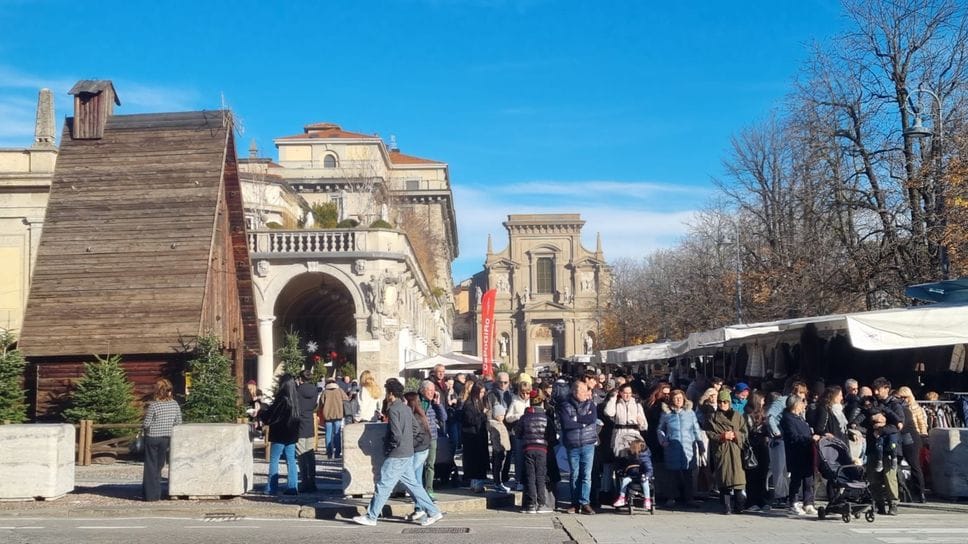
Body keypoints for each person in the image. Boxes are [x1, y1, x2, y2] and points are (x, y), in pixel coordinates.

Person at [352, 379, 443, 527]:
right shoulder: (406, 408)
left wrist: (391, 446)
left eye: (387, 392)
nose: (387, 395)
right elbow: (416, 429)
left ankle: (371, 516)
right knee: (413, 485)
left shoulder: (393, 409)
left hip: (397, 454)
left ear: (391, 394)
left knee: (383, 484)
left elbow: (396, 434)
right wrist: (408, 442)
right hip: (408, 452)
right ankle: (433, 511)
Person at [657, 389, 704, 508]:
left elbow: (696, 429)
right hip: (671, 446)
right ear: (672, 400)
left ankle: (689, 498)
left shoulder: (690, 413)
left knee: (688, 473)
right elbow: (660, 429)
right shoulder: (666, 414)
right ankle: (671, 497)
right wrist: (663, 440)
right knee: (672, 474)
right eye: (676, 398)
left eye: (680, 398)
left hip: (688, 445)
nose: (678, 401)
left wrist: (700, 443)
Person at [557, 380, 599, 514]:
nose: (586, 393)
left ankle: (585, 502)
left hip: (588, 443)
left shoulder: (591, 405)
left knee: (586, 475)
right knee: (574, 474)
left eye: (586, 391)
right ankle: (574, 503)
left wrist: (576, 419)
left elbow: (591, 419)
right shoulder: (565, 405)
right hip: (572, 444)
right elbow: (566, 423)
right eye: (582, 391)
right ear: (575, 392)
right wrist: (581, 422)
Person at [704, 389, 748, 514]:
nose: (722, 404)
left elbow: (745, 433)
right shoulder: (712, 417)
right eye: (720, 401)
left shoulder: (738, 416)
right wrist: (722, 436)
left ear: (729, 402)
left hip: (736, 450)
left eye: (725, 401)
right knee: (724, 480)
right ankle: (726, 507)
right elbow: (709, 433)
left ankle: (739, 507)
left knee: (739, 481)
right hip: (722, 450)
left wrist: (735, 435)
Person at [142, 378, 182, 501]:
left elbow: (147, 423)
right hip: (166, 438)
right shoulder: (174, 404)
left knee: (150, 466)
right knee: (159, 465)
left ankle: (150, 495)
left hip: (153, 437)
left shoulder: (154, 405)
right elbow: (178, 421)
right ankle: (157, 493)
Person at [261, 374, 300, 495]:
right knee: (291, 460)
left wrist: (262, 413)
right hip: (291, 434)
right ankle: (293, 487)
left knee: (274, 460)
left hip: (279, 433)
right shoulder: (295, 398)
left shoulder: (281, 398)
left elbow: (271, 417)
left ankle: (272, 487)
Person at [515, 390, 553, 513]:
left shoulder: (524, 417)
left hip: (528, 448)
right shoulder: (546, 418)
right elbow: (551, 435)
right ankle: (541, 504)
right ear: (541, 401)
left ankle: (531, 504)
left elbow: (518, 433)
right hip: (542, 449)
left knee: (530, 476)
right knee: (540, 476)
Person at [779, 394, 817, 516]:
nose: (803, 405)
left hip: (807, 451)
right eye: (801, 402)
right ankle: (793, 502)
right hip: (796, 453)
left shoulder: (800, 418)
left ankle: (808, 502)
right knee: (796, 479)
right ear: (795, 404)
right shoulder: (787, 419)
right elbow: (793, 437)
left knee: (808, 479)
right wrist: (810, 439)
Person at [404, 391, 433, 522]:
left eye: (404, 401)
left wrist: (409, 445)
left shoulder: (414, 416)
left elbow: (419, 436)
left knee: (412, 481)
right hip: (421, 449)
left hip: (419, 450)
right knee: (416, 480)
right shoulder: (419, 414)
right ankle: (419, 508)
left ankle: (424, 508)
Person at [897, 386, 927, 503]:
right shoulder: (901, 408)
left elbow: (922, 424)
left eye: (906, 397)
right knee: (900, 464)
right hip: (904, 436)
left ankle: (920, 492)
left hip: (913, 437)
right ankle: (906, 491)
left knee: (914, 465)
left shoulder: (916, 408)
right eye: (902, 397)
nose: (904, 399)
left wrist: (924, 435)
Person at [743, 390, 771, 512]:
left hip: (763, 446)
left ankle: (762, 500)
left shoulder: (763, 414)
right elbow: (749, 432)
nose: (764, 402)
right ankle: (751, 501)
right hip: (752, 447)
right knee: (752, 475)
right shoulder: (747, 415)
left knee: (762, 474)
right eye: (762, 399)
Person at [418, 380, 447, 497]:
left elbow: (443, 417)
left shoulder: (434, 404)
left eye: (433, 390)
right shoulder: (417, 402)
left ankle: (429, 489)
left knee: (430, 464)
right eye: (429, 390)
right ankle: (419, 489)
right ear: (422, 391)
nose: (431, 393)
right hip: (419, 438)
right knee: (419, 465)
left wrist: (438, 404)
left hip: (432, 437)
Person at [604, 383, 648, 458]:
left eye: (629, 393)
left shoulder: (637, 404)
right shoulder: (617, 403)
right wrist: (613, 397)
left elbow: (644, 426)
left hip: (633, 433)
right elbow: (609, 413)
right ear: (620, 393)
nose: (628, 395)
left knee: (634, 456)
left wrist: (641, 423)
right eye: (625, 393)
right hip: (619, 432)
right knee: (620, 456)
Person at [487, 372, 514, 493]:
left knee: (508, 454)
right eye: (500, 382)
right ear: (496, 381)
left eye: (505, 382)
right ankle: (497, 481)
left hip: (510, 426)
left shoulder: (511, 393)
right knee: (498, 454)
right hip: (497, 427)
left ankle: (504, 478)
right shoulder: (491, 394)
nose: (503, 384)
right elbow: (489, 411)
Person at [505, 374, 532, 490]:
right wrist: (518, 416)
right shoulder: (515, 402)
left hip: (530, 433)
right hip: (518, 433)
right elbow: (508, 417)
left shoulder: (531, 401)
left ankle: (528, 479)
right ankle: (518, 480)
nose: (525, 395)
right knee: (519, 457)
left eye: (527, 393)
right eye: (523, 393)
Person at [461, 383, 490, 493]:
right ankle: (475, 483)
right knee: (474, 461)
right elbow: (470, 420)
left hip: (480, 435)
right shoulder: (469, 404)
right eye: (481, 392)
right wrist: (482, 414)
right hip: (471, 436)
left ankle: (478, 483)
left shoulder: (480, 403)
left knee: (480, 460)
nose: (482, 394)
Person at [295, 370, 320, 492]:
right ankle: (312, 481)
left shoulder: (297, 390)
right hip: (310, 421)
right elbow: (315, 405)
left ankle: (304, 481)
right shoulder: (315, 390)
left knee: (301, 453)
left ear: (301, 378)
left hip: (299, 422)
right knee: (310, 454)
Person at [612, 438, 654, 510]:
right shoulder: (630, 456)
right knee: (625, 480)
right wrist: (622, 470)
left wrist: (646, 476)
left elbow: (649, 469)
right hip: (632, 475)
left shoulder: (645, 458)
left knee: (645, 482)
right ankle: (622, 497)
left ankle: (647, 499)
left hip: (642, 476)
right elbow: (625, 465)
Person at [319, 377, 349, 459]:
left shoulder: (325, 392)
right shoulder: (340, 391)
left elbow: (320, 404)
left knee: (328, 434)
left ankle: (329, 452)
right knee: (337, 434)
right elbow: (346, 399)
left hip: (327, 416)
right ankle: (337, 452)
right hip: (338, 415)